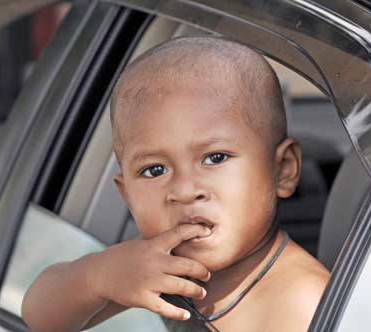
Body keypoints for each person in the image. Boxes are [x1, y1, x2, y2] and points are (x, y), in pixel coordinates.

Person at [21, 36, 330, 332]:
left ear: (283, 170)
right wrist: (97, 276)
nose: (184, 191)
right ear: (127, 196)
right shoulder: (157, 267)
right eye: (155, 170)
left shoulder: (306, 302)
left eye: (215, 158)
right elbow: (41, 317)